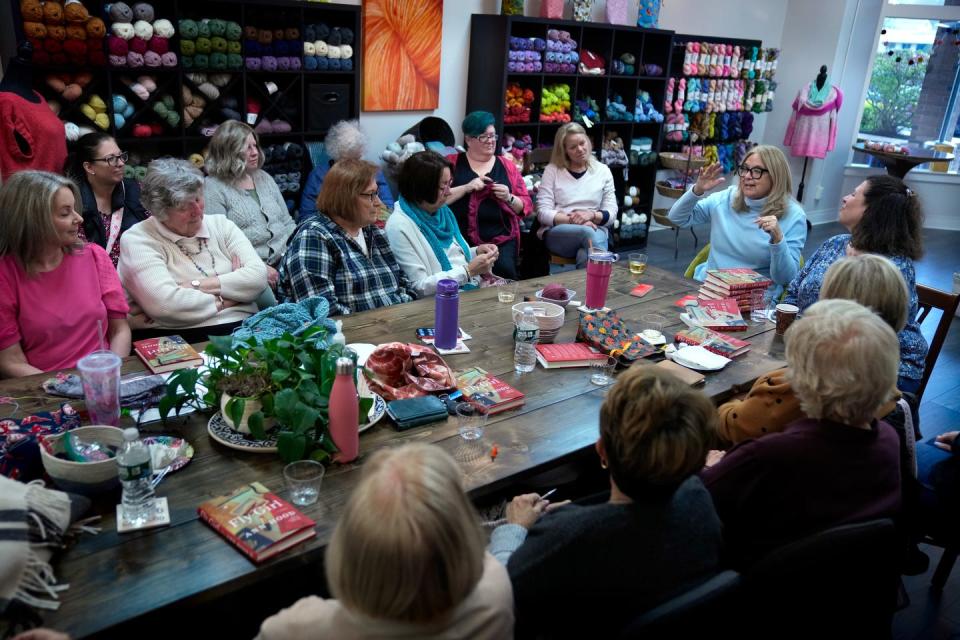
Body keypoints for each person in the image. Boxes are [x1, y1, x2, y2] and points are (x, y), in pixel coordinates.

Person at [489, 366, 722, 636]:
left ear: (601, 451)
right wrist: (583, 513)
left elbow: (500, 595)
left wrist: (513, 528)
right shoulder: (699, 500)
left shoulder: (568, 537)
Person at [702, 299, 902, 566]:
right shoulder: (888, 440)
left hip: (750, 581)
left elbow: (699, 499)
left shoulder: (769, 455)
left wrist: (709, 468)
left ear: (802, 379)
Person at [256, 443, 514, 640]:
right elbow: (488, 561)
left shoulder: (301, 627)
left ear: (343, 554)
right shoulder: (495, 599)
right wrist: (514, 529)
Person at [716, 254, 908, 445]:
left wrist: (739, 397)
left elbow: (732, 426)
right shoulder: (883, 385)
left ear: (833, 305)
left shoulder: (793, 390)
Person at [783, 174, 927, 394]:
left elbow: (860, 331)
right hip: (816, 351)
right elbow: (794, 290)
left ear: (873, 210)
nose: (844, 198)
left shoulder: (892, 266)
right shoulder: (835, 243)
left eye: (853, 194)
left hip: (877, 371)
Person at [117, 158, 267, 341]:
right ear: (159, 210)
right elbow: (167, 306)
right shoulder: (138, 239)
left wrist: (195, 286)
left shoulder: (222, 225)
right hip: (179, 338)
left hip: (245, 327)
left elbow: (258, 277)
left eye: (197, 199)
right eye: (184, 207)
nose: (197, 211)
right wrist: (232, 297)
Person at [0, 171, 130, 377]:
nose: (78, 219)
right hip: (44, 387)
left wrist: (111, 373)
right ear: (33, 220)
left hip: (104, 377)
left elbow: (119, 330)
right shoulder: (6, 275)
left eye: (75, 210)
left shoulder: (95, 257)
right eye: (64, 213)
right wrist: (67, 388)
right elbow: (11, 361)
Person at [278, 159, 416, 314]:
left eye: (376, 193)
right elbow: (322, 312)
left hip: (393, 326)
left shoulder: (372, 232)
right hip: (349, 335)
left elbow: (404, 285)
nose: (378, 202)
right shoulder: (312, 237)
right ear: (345, 198)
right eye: (371, 195)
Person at [667, 144, 807, 295]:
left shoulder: (794, 215)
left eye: (757, 171)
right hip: (708, 288)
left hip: (751, 300)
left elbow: (785, 278)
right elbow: (676, 218)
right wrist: (697, 190)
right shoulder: (727, 198)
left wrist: (778, 240)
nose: (747, 176)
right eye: (745, 169)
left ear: (776, 176)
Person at [386, 151, 499, 296]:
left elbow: (452, 257)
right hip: (438, 304)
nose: (449, 192)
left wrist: (476, 252)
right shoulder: (398, 227)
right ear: (422, 189)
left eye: (450, 183)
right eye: (443, 187)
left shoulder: (441, 212)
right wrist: (469, 271)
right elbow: (418, 287)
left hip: (468, 287)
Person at [203, 120, 296, 288]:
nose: (255, 153)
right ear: (229, 151)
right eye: (247, 148)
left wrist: (297, 254)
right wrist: (259, 268)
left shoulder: (264, 177)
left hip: (286, 260)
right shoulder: (213, 187)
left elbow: (287, 221)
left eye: (255, 146)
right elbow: (219, 243)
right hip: (249, 269)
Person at [444, 111, 533, 280]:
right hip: (458, 240)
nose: (491, 141)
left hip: (501, 241)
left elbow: (526, 206)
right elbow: (436, 199)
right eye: (484, 137)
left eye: (493, 136)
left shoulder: (507, 166)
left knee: (505, 276)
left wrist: (509, 197)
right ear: (469, 139)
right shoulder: (451, 163)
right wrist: (466, 187)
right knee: (463, 282)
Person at [536, 122, 617, 268]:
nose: (580, 149)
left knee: (585, 255)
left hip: (594, 230)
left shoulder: (603, 170)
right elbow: (543, 213)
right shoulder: (552, 170)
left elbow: (611, 214)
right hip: (560, 232)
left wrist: (591, 215)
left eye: (582, 143)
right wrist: (576, 220)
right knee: (589, 234)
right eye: (573, 147)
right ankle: (603, 279)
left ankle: (588, 290)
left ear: (588, 141)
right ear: (564, 150)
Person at [69, 132, 149, 267]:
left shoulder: (137, 190)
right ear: (89, 167)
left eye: (121, 156)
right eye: (111, 159)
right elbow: (77, 254)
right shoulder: (74, 202)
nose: (121, 163)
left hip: (140, 272)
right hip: (96, 277)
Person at [299, 119, 393, 223]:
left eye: (357, 159)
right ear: (335, 156)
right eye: (346, 161)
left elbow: (388, 211)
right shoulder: (318, 175)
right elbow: (306, 217)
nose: (352, 165)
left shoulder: (373, 172)